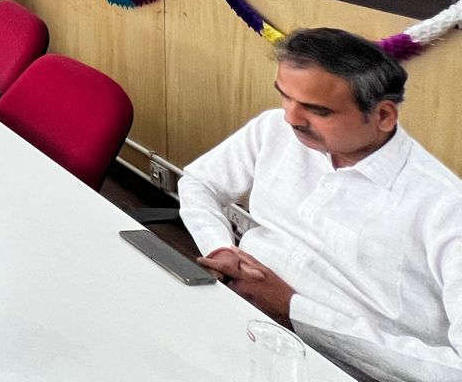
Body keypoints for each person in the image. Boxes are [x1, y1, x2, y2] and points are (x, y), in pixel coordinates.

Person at [179, 28, 462, 382]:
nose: (291, 118)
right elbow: (199, 182)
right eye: (285, 96)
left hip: (342, 368)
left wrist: (294, 310)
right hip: (237, 316)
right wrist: (220, 248)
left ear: (383, 116)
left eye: (317, 110)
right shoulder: (274, 130)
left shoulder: (445, 209)